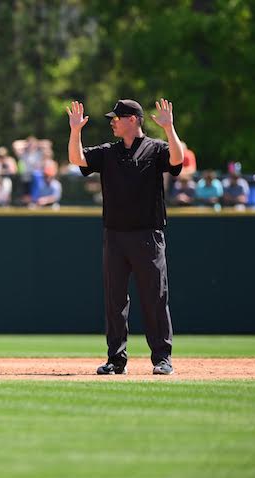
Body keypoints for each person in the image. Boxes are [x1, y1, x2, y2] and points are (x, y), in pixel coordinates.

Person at [67, 98, 185, 376]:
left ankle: (162, 359)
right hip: (115, 235)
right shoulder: (109, 151)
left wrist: (169, 128)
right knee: (115, 299)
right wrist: (75, 131)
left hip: (148, 234)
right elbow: (77, 159)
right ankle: (115, 360)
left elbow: (177, 160)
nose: (112, 122)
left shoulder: (156, 149)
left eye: (117, 117)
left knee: (154, 298)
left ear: (133, 119)